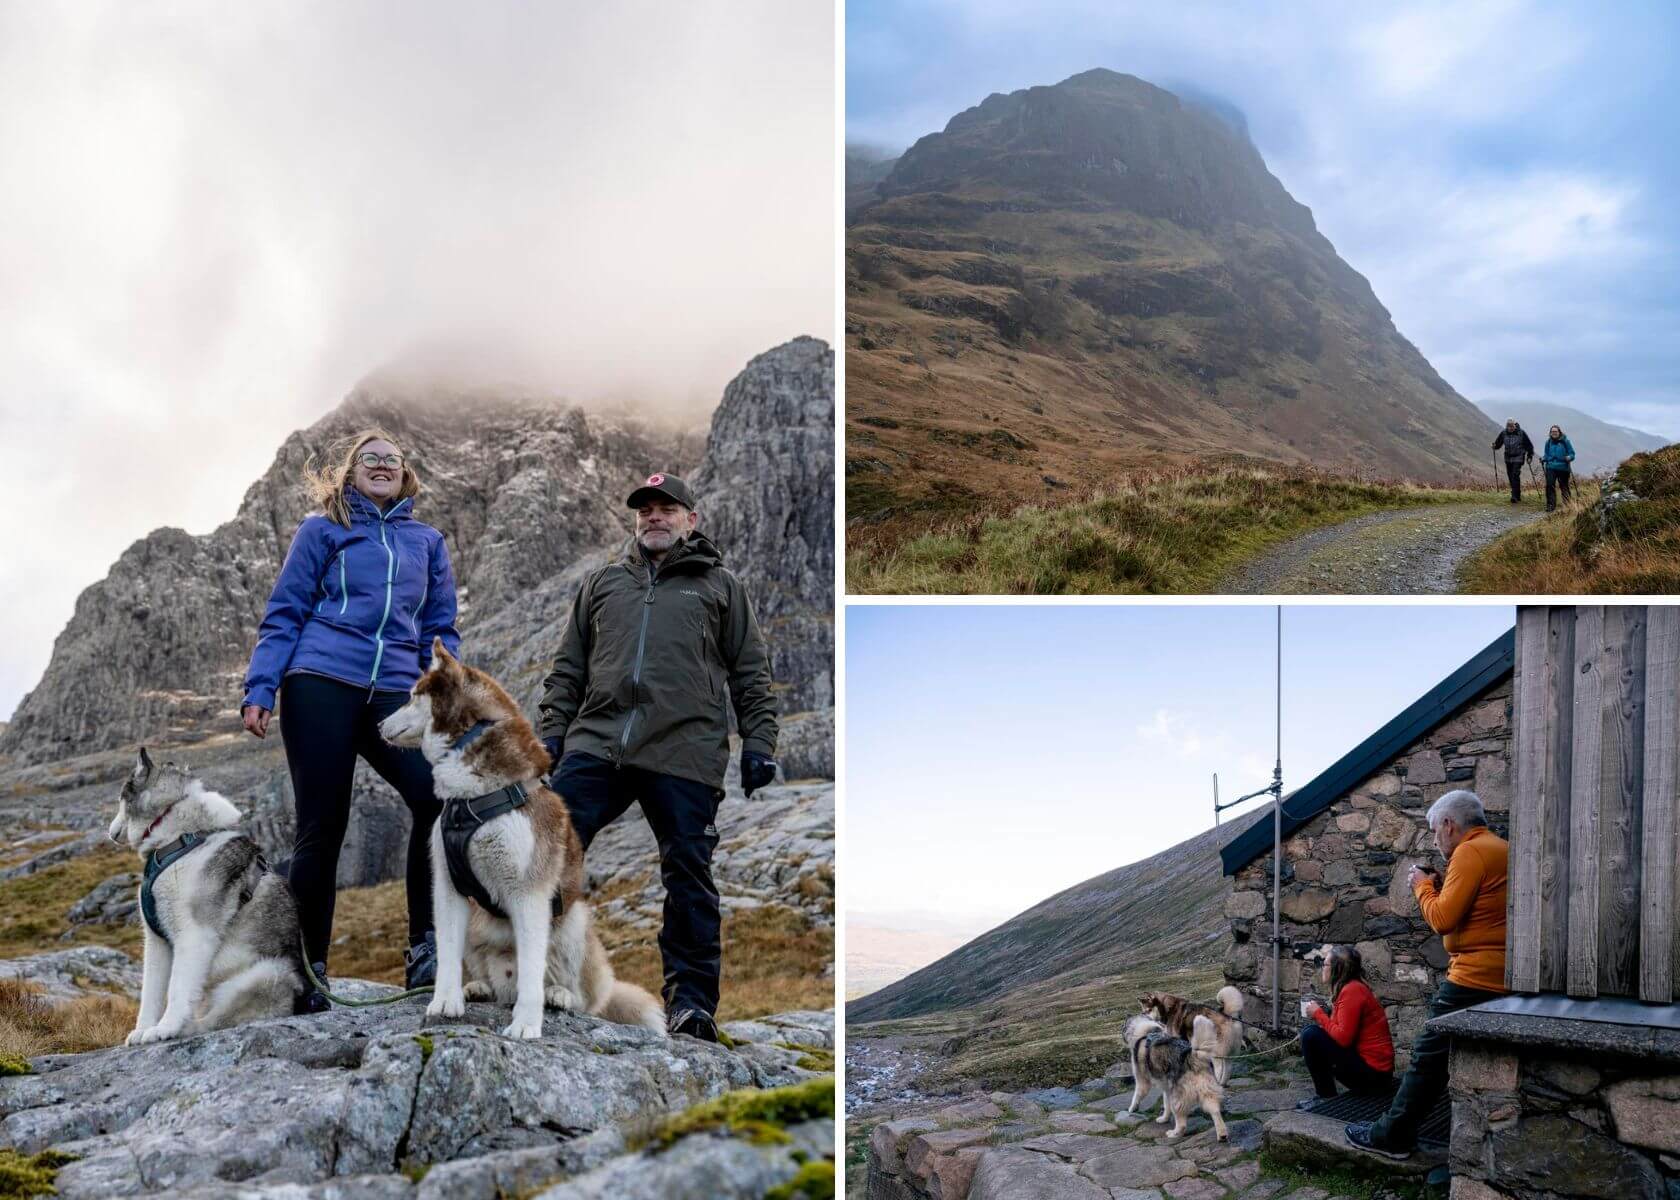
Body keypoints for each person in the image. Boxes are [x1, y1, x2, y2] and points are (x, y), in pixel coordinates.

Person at [538, 472, 778, 1043]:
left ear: (690, 519)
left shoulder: (720, 586)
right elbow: (568, 667)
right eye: (644, 509)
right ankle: (530, 975)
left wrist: (760, 744)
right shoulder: (602, 584)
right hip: (598, 744)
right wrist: (550, 734)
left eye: (666, 508)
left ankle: (692, 1005)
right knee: (548, 849)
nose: (654, 517)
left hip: (684, 750)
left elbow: (751, 673)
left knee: (689, 873)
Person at [241, 429, 460, 1009]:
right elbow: (285, 610)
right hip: (320, 682)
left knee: (435, 798)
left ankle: (426, 949)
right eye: (371, 458)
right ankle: (306, 969)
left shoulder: (427, 542)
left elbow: (440, 629)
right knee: (323, 825)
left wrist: (443, 696)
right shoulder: (323, 529)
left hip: (393, 690)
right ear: (351, 470)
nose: (382, 465)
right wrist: (261, 686)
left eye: (392, 458)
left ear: (406, 472)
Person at [1347, 790, 1508, 1159]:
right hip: (1500, 975)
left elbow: (1442, 918)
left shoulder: (1469, 852)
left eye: (1435, 831)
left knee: (1425, 1058)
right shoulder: (1499, 847)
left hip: (1473, 977)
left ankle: (1392, 1135)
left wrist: (1420, 885)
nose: (1435, 840)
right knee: (1437, 1061)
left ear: (1450, 825)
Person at [1298, 945, 1395, 1101]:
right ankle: (1325, 1095)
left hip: (1375, 1077)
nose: (1323, 967)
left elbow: (1343, 1039)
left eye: (1326, 964)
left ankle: (1325, 1097)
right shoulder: (1351, 988)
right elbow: (1339, 1033)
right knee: (1314, 1034)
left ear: (1338, 969)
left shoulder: (1352, 991)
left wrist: (1318, 1014)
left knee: (1310, 1035)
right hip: (1374, 1072)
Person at [1491, 420, 1534, 504]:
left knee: (1515, 475)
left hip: (1519, 457)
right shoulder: (1504, 433)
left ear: (1515, 426)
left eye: (1511, 426)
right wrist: (1494, 446)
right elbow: (1498, 444)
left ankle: (1514, 496)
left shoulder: (1521, 433)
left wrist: (1529, 456)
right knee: (1511, 476)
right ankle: (1517, 494)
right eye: (1508, 426)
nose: (1510, 428)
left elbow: (1529, 445)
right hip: (1508, 458)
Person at [1541, 424, 1575, 511]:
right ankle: (1551, 505)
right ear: (1550, 433)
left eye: (1555, 431)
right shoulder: (1548, 442)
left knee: (1564, 486)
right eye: (1552, 432)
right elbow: (1547, 454)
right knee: (1549, 485)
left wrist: (1569, 457)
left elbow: (1572, 454)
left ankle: (1567, 505)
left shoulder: (1565, 441)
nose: (1554, 433)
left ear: (1559, 432)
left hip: (1563, 467)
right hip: (1550, 467)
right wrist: (1543, 458)